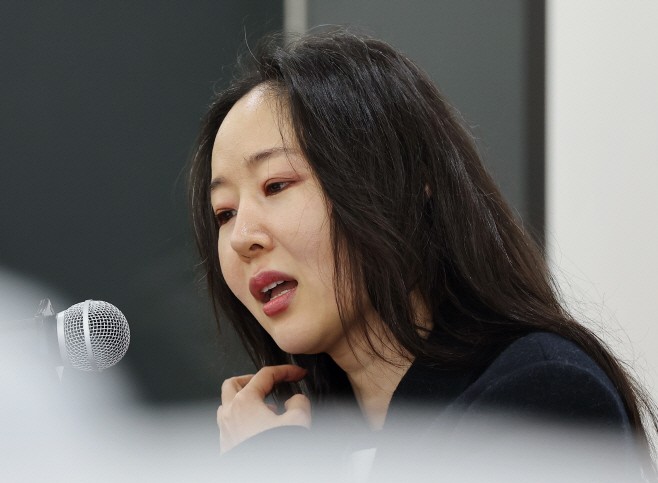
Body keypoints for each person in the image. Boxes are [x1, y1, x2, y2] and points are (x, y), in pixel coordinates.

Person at [188, 28, 656, 481]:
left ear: (407, 183)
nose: (241, 237)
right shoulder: (313, 437)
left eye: (276, 185)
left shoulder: (542, 394)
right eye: (224, 213)